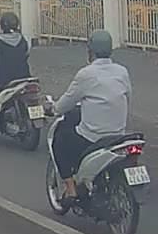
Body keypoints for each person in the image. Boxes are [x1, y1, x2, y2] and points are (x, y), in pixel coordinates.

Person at [50, 29, 132, 201]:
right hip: (119, 136)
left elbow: (66, 103)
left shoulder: (86, 74)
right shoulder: (122, 71)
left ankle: (70, 189)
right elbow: (128, 97)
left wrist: (53, 108)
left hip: (92, 139)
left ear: (91, 51)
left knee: (60, 139)